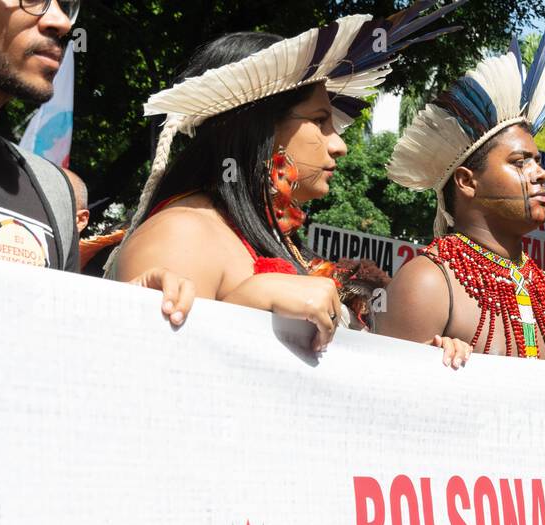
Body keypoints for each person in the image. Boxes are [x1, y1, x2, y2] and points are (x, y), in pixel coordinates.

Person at [113, 4, 464, 351]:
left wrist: (422, 361)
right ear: (260, 129)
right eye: (319, 120)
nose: (339, 144)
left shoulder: (277, 240)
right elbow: (149, 376)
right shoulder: (183, 233)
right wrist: (246, 302)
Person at [0, 0, 194, 321]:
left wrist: (119, 309)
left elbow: (48, 343)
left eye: (65, 5)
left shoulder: (54, 191)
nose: (61, 22)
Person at [377, 2, 545, 362]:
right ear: (467, 181)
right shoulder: (428, 283)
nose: (541, 173)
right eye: (520, 162)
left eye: (538, 161)